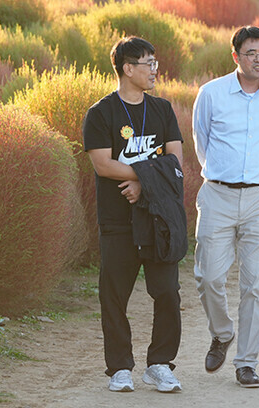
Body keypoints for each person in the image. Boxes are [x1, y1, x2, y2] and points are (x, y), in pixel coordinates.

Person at [192, 25, 259, 388]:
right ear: (235, 56)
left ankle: (246, 362)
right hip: (218, 194)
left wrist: (258, 175)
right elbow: (201, 142)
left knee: (255, 285)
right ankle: (222, 333)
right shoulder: (211, 94)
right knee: (208, 277)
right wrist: (226, 175)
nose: (258, 59)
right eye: (251, 53)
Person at [82, 37, 184, 393]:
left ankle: (159, 364)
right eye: (148, 63)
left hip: (158, 220)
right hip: (117, 221)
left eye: (155, 62)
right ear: (128, 68)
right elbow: (103, 164)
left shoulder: (162, 110)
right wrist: (147, 174)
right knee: (113, 296)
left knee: (168, 292)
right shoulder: (100, 113)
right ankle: (120, 368)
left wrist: (144, 183)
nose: (155, 69)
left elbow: (176, 162)